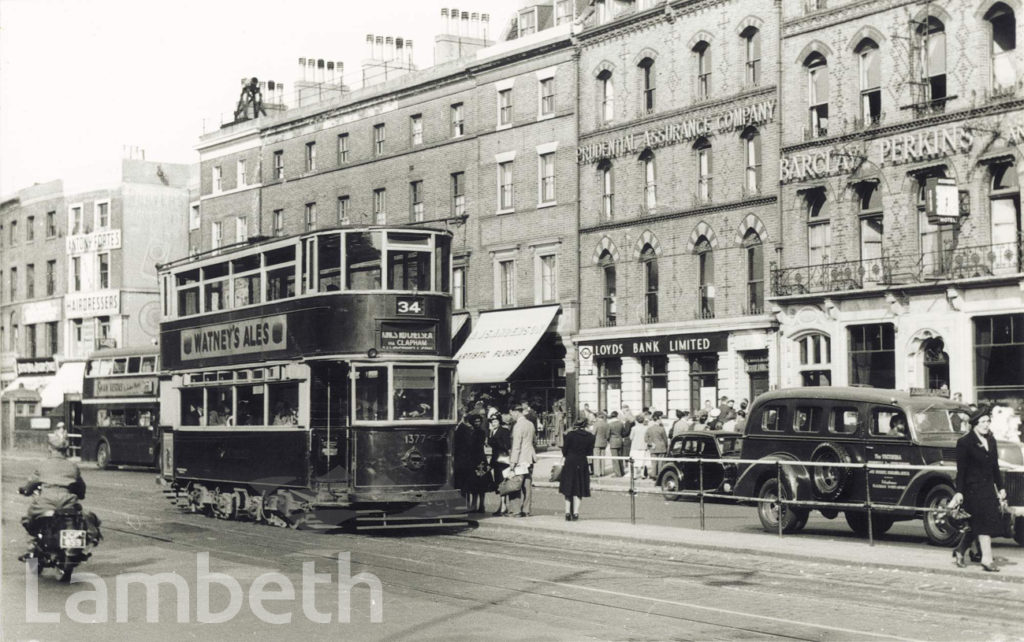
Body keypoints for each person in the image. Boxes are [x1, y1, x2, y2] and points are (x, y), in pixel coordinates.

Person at [20, 425, 100, 561]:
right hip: (68, 502)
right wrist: (79, 495)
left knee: (29, 519)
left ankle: (32, 548)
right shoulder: (73, 466)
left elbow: (31, 484)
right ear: (66, 450)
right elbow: (81, 487)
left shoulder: (42, 465)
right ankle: (76, 547)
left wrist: (25, 490)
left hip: (45, 502)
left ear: (50, 448)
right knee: (78, 519)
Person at [950, 406, 1007, 572]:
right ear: (974, 424)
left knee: (979, 523)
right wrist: (959, 492)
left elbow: (995, 467)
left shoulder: (991, 440)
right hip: (972, 490)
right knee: (984, 523)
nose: (986, 425)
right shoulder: (964, 443)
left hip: (988, 489)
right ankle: (987, 559)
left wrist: (1001, 487)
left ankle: (960, 550)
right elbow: (961, 471)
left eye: (988, 421)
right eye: (983, 422)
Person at [560, 418, 596, 521]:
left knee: (568, 487)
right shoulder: (590, 437)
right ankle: (575, 513)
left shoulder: (570, 435)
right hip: (582, 462)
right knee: (579, 487)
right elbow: (589, 452)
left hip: (570, 462)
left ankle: (567, 512)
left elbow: (564, 451)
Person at [508, 404, 537, 517]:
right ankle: (526, 509)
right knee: (527, 485)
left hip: (520, 460)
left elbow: (516, 446)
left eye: (512, 414)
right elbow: (534, 441)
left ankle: (516, 511)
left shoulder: (518, 426)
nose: (512, 417)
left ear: (516, 412)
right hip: (529, 458)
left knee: (515, 485)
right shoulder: (530, 424)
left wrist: (512, 462)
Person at [487, 414, 513, 516]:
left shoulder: (504, 431)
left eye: (496, 421)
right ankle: (502, 506)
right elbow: (489, 444)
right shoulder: (492, 431)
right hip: (496, 461)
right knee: (498, 483)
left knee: (502, 483)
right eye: (492, 421)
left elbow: (506, 445)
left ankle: (503, 507)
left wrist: (495, 439)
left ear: (499, 422)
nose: (494, 423)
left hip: (503, 461)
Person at [646, 411, 669, 478]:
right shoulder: (661, 429)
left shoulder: (649, 429)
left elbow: (645, 438)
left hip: (653, 448)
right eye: (660, 418)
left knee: (654, 462)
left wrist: (651, 443)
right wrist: (666, 447)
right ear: (658, 419)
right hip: (661, 447)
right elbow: (665, 439)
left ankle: (653, 475)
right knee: (661, 463)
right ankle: (660, 475)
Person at [629, 412, 650, 479]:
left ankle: (634, 475)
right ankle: (642, 474)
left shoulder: (634, 428)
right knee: (642, 461)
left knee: (635, 461)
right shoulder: (646, 428)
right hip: (643, 446)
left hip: (635, 447)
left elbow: (631, 437)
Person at [606, 411, 625, 476]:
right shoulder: (621, 423)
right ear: (617, 416)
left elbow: (607, 435)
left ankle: (617, 473)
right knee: (620, 457)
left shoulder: (610, 424)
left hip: (613, 441)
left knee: (615, 458)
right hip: (620, 440)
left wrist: (608, 440)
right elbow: (623, 433)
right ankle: (622, 471)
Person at [592, 411, 610, 476]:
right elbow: (608, 435)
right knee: (602, 458)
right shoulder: (606, 424)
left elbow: (593, 434)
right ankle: (602, 472)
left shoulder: (596, 424)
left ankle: (597, 473)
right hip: (604, 442)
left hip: (596, 443)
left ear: (598, 417)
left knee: (596, 458)